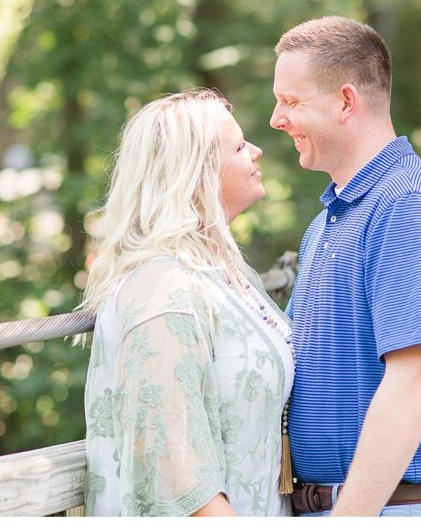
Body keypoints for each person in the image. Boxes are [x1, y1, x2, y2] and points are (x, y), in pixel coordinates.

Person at [269, 16, 421, 517]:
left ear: (346, 101)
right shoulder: (329, 219)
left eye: (291, 101)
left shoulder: (409, 204)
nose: (275, 119)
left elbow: (414, 380)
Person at [78, 89, 293, 517]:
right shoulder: (163, 287)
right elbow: (173, 469)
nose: (256, 150)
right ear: (197, 174)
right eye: (237, 146)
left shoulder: (225, 274)